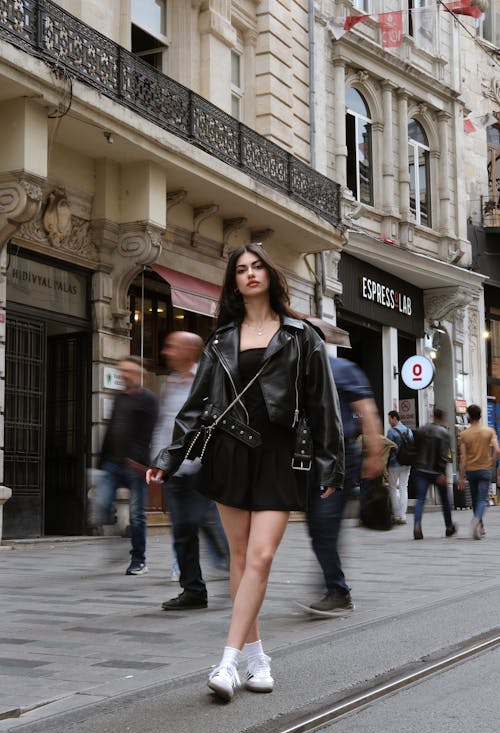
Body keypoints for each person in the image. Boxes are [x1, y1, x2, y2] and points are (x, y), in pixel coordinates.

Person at [147, 244, 343, 701]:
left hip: (279, 455)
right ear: (234, 282)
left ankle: (228, 660)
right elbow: (197, 406)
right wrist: (168, 459)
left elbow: (323, 404)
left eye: (257, 266)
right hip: (229, 452)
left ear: (271, 275)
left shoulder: (301, 335)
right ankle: (258, 659)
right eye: (241, 269)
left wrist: (331, 462)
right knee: (238, 559)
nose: (250, 274)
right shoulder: (220, 340)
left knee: (260, 558)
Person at [298, 318, 384, 616]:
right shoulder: (295, 373)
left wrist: (374, 455)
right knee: (315, 526)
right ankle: (331, 586)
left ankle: (337, 591)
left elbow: (367, 412)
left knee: (324, 524)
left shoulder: (343, 370)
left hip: (339, 456)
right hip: (305, 459)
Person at [151, 331, 229, 611]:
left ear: (190, 351)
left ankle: (232, 565)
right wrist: (159, 460)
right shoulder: (171, 382)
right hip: (175, 471)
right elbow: (165, 424)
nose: (166, 351)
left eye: (172, 346)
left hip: (199, 468)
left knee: (192, 522)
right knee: (184, 530)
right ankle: (193, 591)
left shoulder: (206, 380)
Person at [95, 356, 159, 575]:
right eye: (122, 371)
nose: (124, 375)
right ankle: (121, 543)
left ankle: (139, 560)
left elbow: (149, 433)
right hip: (112, 463)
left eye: (129, 371)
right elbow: (111, 428)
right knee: (101, 505)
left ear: (140, 374)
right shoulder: (119, 398)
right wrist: (100, 462)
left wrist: (138, 460)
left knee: (137, 514)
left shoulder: (148, 399)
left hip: (136, 466)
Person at [412, 407, 457, 540]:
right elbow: (444, 454)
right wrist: (442, 472)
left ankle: (417, 524)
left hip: (420, 469)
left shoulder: (422, 429)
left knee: (420, 499)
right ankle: (449, 527)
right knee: (445, 500)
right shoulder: (444, 433)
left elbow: (416, 449)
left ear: (433, 416)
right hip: (437, 472)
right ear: (442, 418)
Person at [458, 403, 499, 539]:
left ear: (468, 417)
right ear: (481, 416)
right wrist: (492, 463)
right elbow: (497, 450)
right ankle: (476, 522)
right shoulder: (489, 431)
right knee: (482, 500)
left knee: (475, 500)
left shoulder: (464, 434)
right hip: (485, 469)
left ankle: (480, 527)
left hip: (471, 470)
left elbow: (463, 458)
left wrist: (461, 477)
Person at [386, 410, 413, 524]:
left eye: (389, 419)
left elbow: (387, 448)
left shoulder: (391, 432)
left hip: (394, 464)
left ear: (394, 418)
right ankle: (403, 516)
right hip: (407, 463)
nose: (389, 422)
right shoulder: (408, 430)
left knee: (392, 488)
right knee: (403, 488)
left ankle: (396, 515)